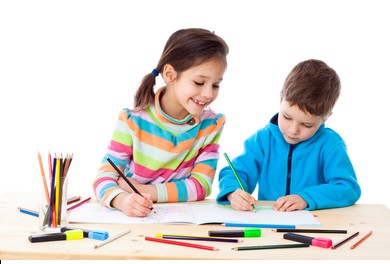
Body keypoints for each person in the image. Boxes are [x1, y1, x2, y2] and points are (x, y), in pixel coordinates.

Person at [93, 28, 229, 217]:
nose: (208, 94)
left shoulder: (211, 124)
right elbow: (104, 178)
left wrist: (146, 190)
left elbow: (201, 186)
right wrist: (122, 200)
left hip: (183, 222)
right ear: (170, 74)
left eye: (216, 85)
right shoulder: (132, 121)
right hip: (135, 219)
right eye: (199, 82)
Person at [217, 59, 361, 211]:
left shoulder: (330, 144)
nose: (293, 130)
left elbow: (347, 188)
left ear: (326, 117)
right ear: (281, 98)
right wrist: (233, 192)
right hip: (269, 225)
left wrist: (306, 198)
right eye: (286, 117)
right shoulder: (263, 140)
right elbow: (236, 172)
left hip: (316, 225)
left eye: (307, 125)